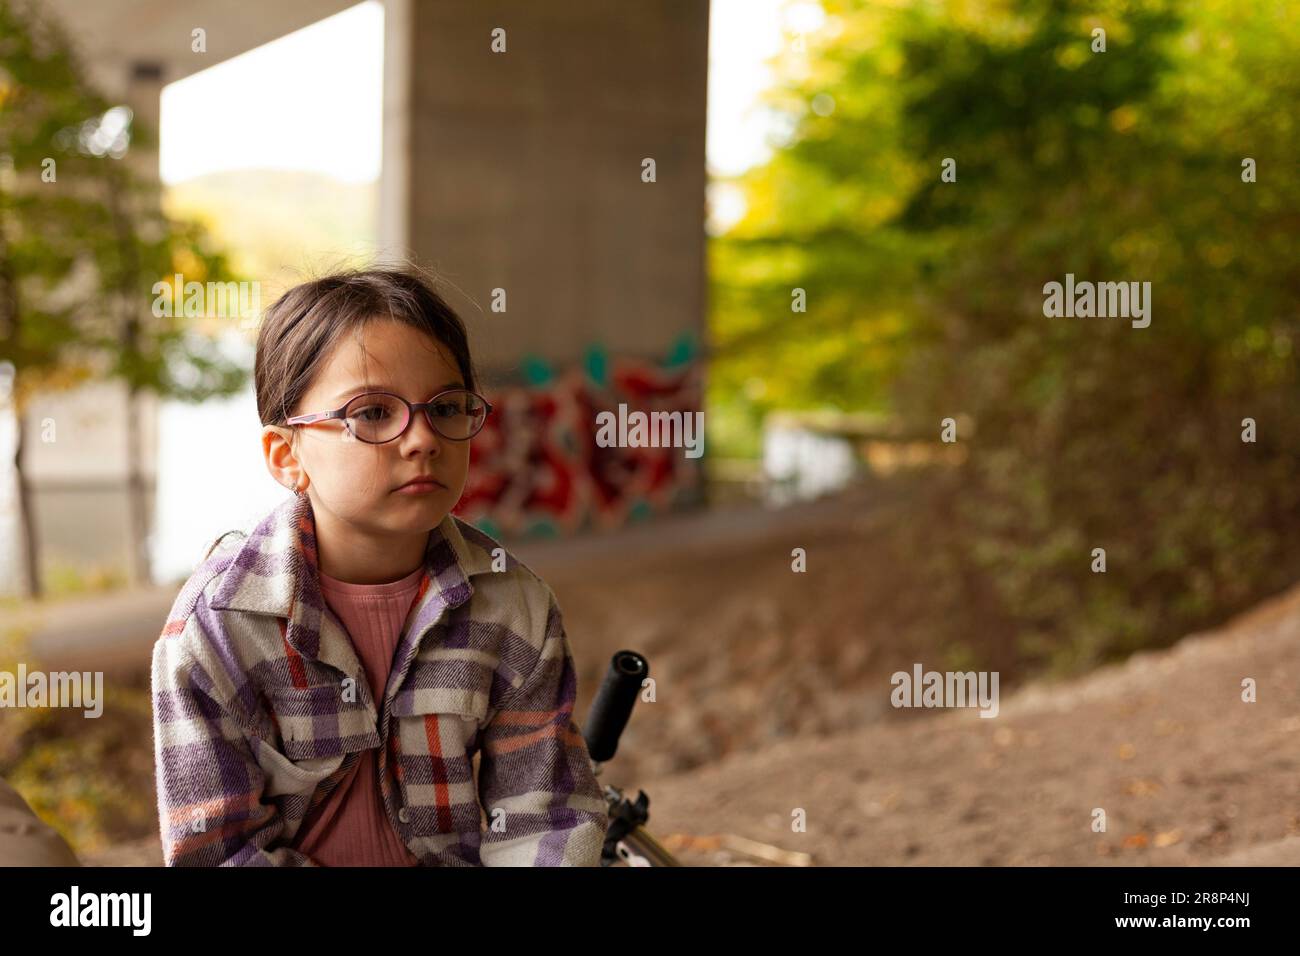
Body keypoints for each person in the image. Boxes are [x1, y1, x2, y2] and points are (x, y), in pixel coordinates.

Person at [149, 267, 609, 866]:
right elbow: (217, 855)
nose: (423, 439)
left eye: (445, 407)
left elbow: (543, 820)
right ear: (287, 456)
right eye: (371, 413)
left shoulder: (514, 608)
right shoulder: (217, 627)